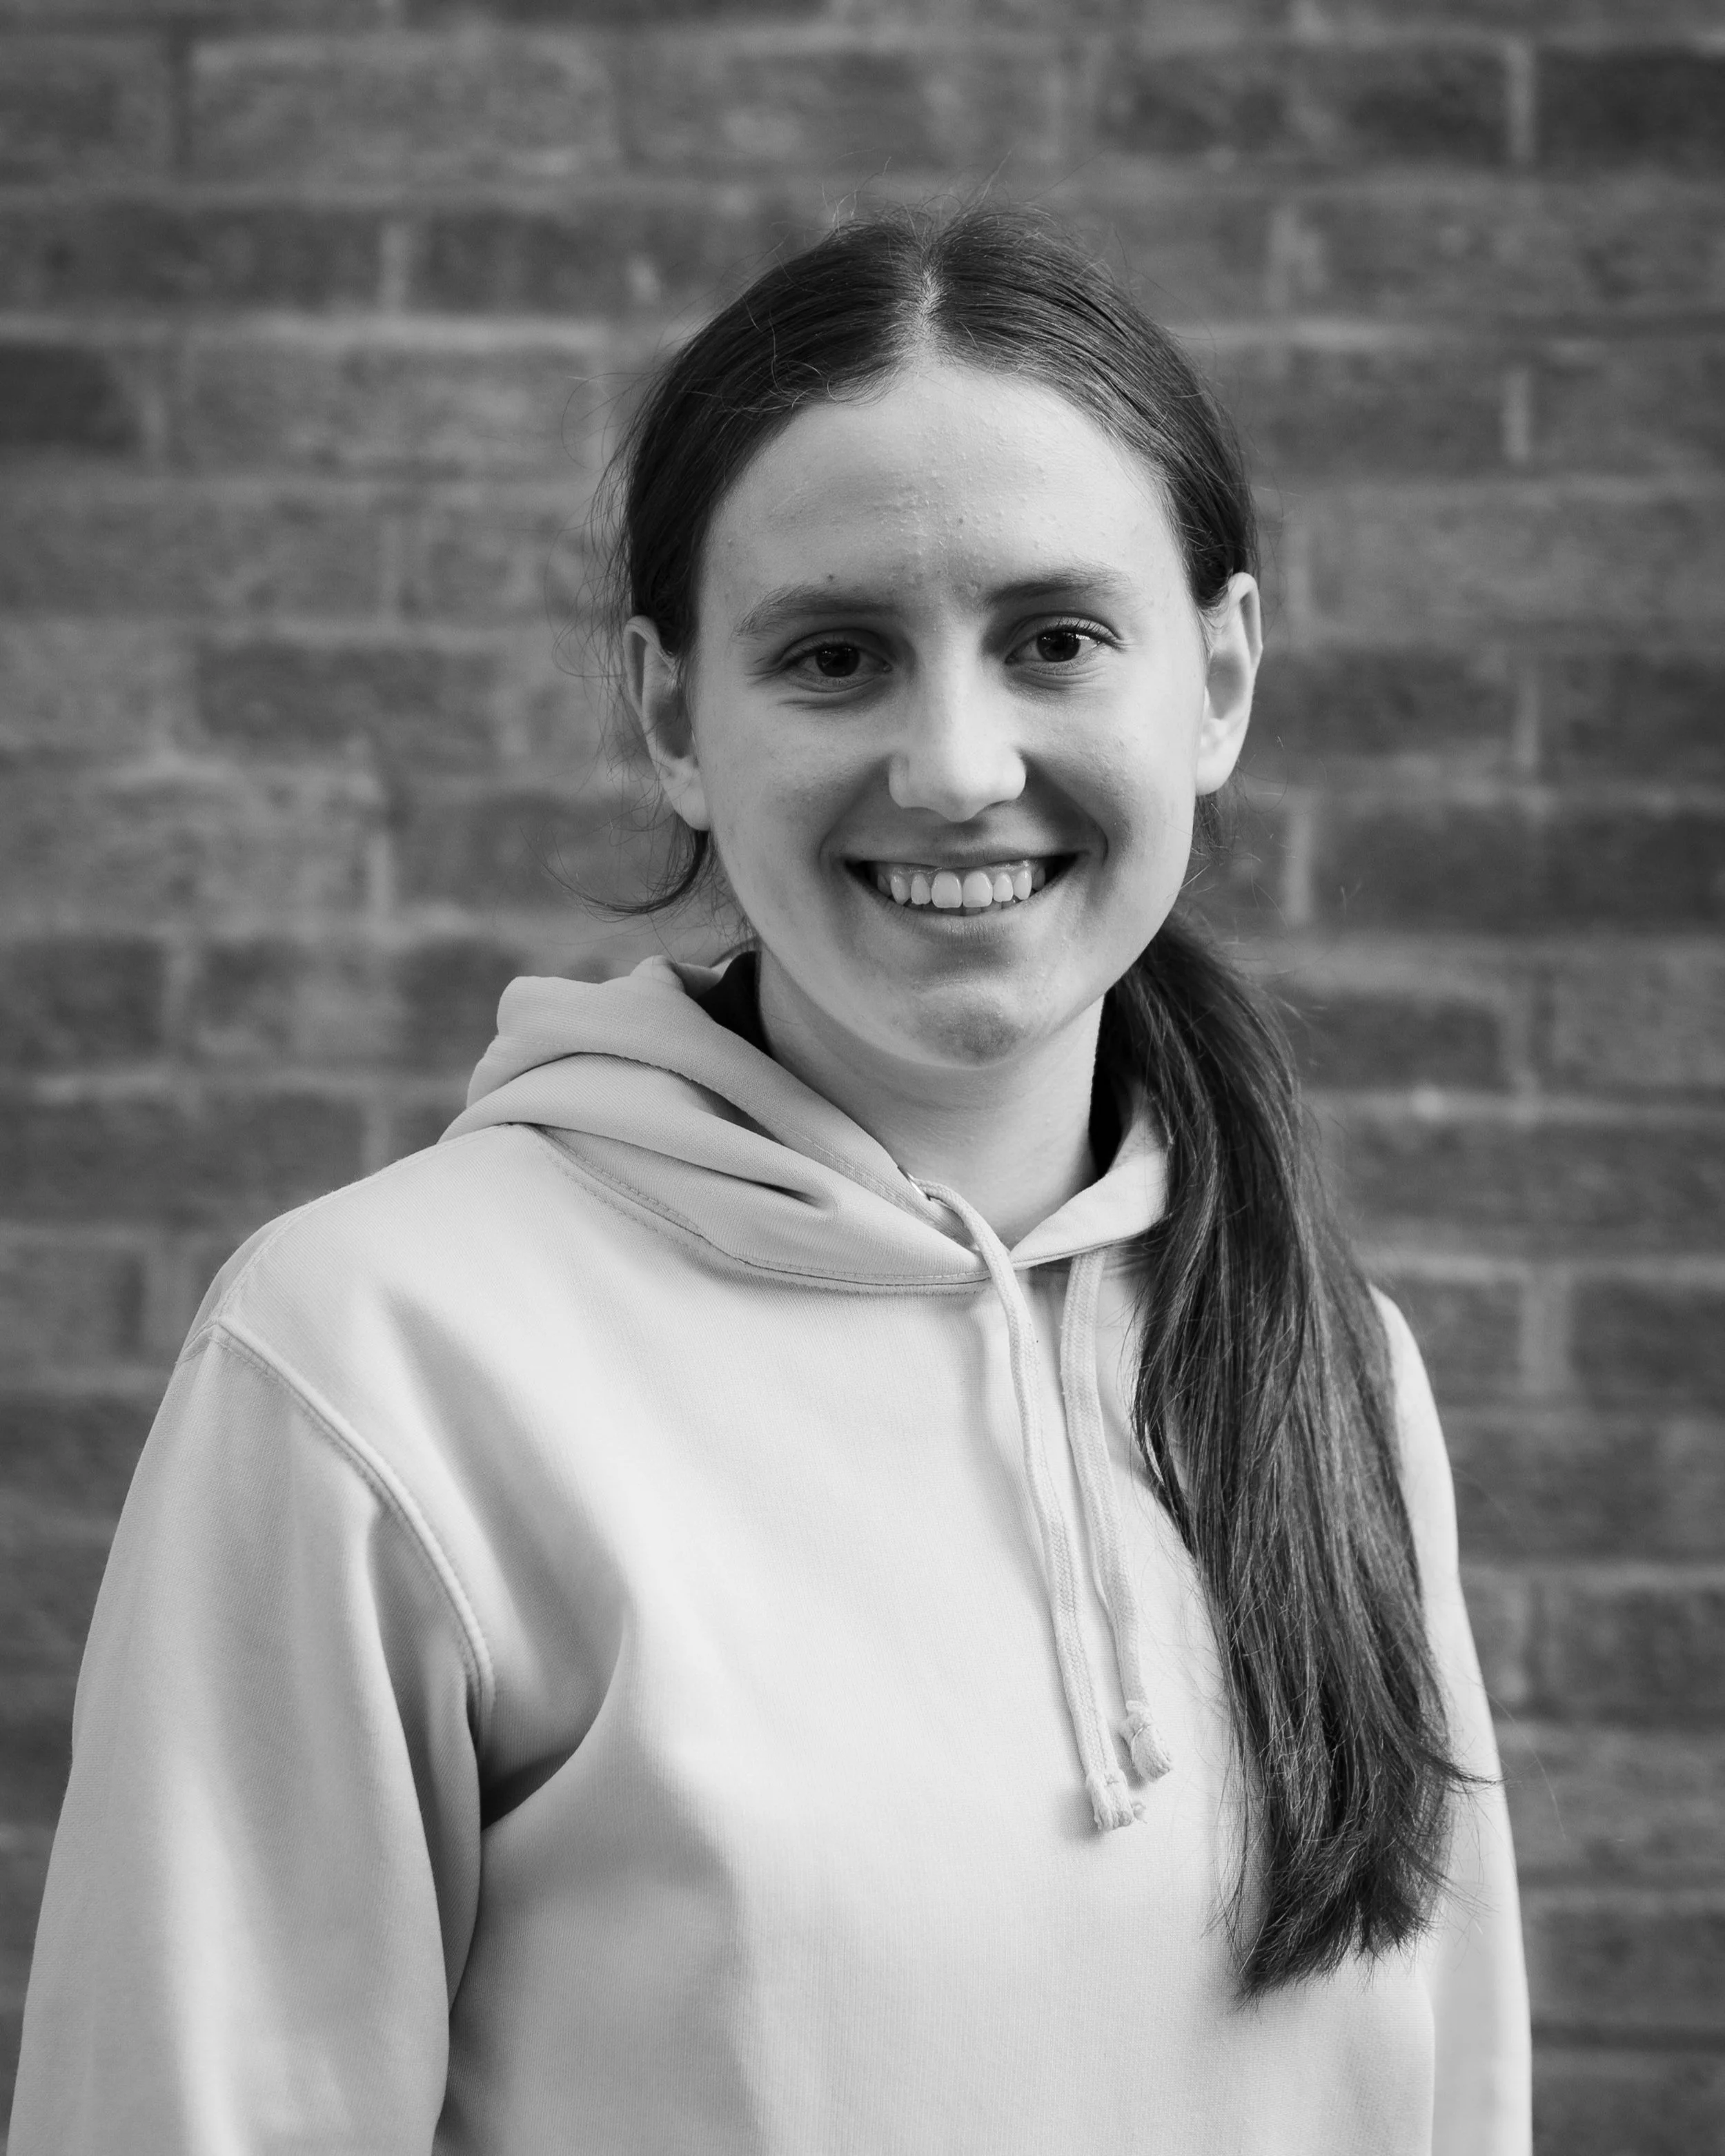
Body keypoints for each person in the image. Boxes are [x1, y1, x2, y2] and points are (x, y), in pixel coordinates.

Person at [10, 206, 1530, 2154]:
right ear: (672, 718)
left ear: (1218, 677)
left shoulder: (1333, 1364)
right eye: (835, 656)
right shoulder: (368, 1361)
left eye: (1056, 640)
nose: (958, 764)